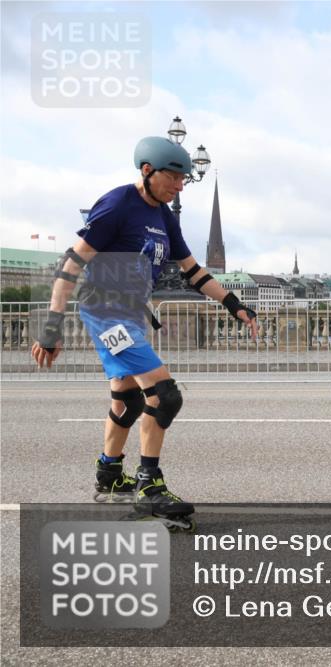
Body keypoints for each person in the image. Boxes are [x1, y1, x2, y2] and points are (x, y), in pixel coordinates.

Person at [31, 136, 259, 531]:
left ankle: (109, 475)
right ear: (147, 171)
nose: (180, 186)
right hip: (106, 314)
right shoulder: (118, 205)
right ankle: (150, 488)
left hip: (131, 316)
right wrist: (51, 327)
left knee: (129, 398)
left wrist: (233, 303)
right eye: (173, 177)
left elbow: (192, 271)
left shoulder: (165, 216)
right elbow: (70, 265)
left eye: (184, 179)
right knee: (164, 394)